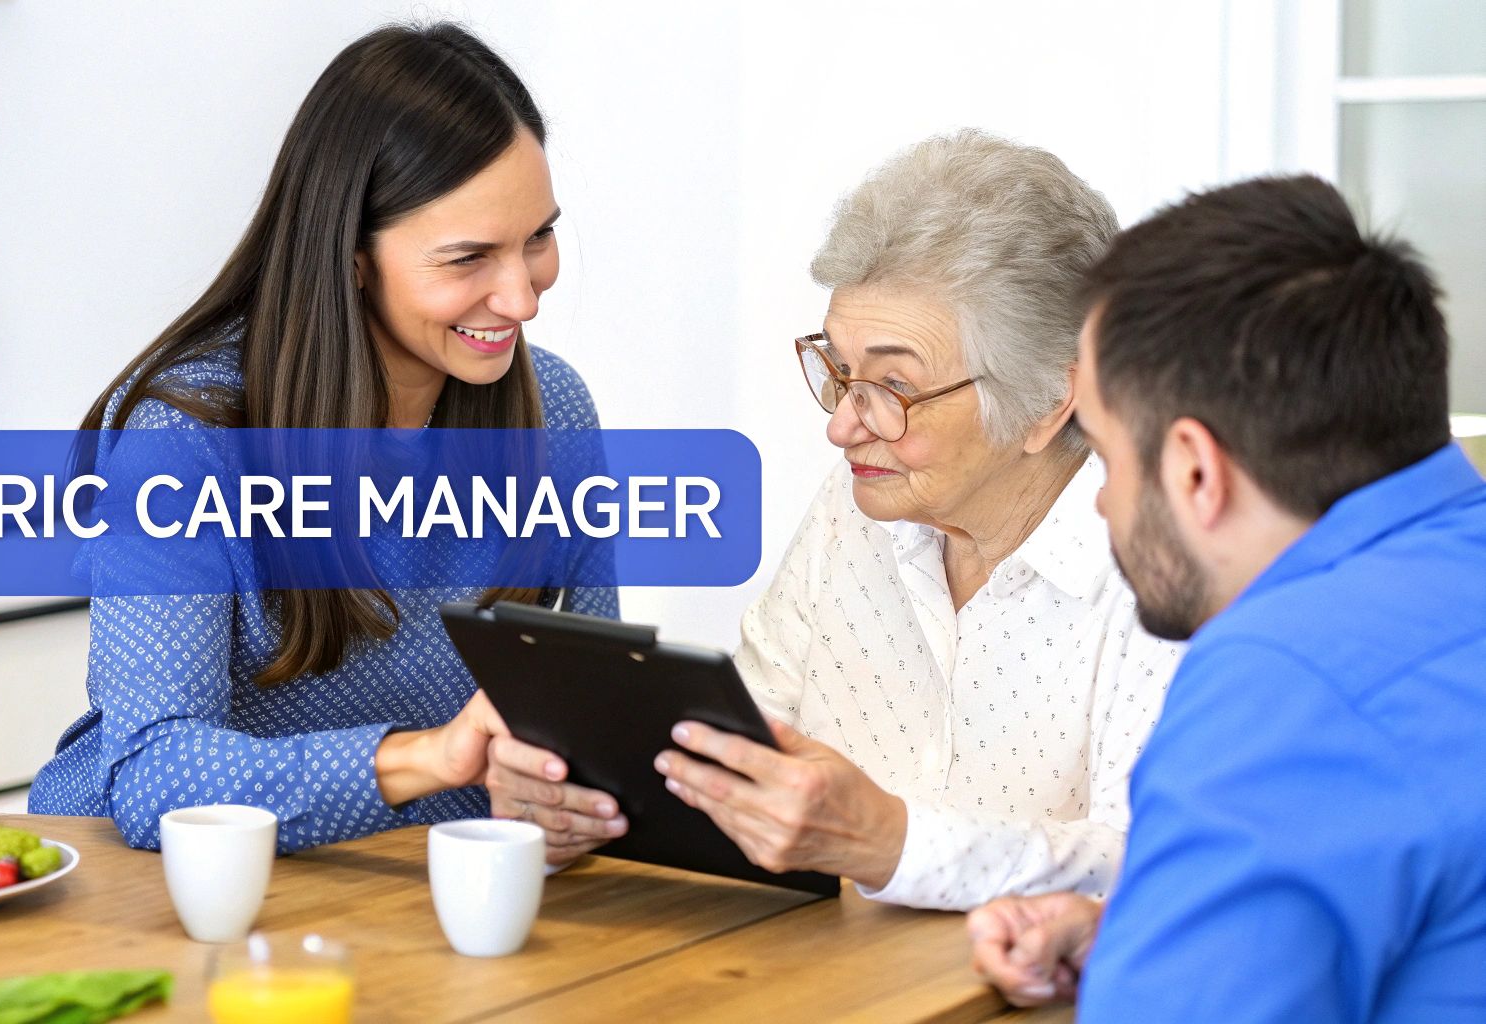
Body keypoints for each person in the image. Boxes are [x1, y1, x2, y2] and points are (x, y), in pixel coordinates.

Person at [485, 131, 1181, 908]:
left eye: (893, 385)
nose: (843, 426)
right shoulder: (858, 510)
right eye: (840, 372)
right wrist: (585, 804)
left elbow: (1150, 863)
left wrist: (891, 842)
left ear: (1053, 401)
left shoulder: (1163, 568)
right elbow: (745, 754)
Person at [28, 22, 616, 852]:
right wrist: (433, 759)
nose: (521, 298)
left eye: (538, 239)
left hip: (401, 881)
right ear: (350, 256)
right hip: (158, 878)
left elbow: (589, 707)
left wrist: (578, 792)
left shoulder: (554, 409)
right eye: (468, 258)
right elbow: (153, 773)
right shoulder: (188, 436)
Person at [968, 174, 1486, 1021]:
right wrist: (1141, 934)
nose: (1100, 502)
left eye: (1101, 454)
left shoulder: (1284, 684)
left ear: (1195, 472)